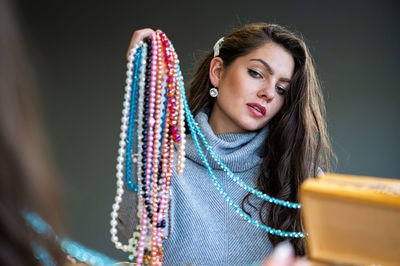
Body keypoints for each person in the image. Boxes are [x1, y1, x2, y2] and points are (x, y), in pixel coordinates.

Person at [118, 23, 333, 265]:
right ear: (218, 72)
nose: (268, 93)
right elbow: (137, 228)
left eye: (282, 89)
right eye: (256, 73)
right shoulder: (165, 165)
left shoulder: (300, 179)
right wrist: (145, 89)